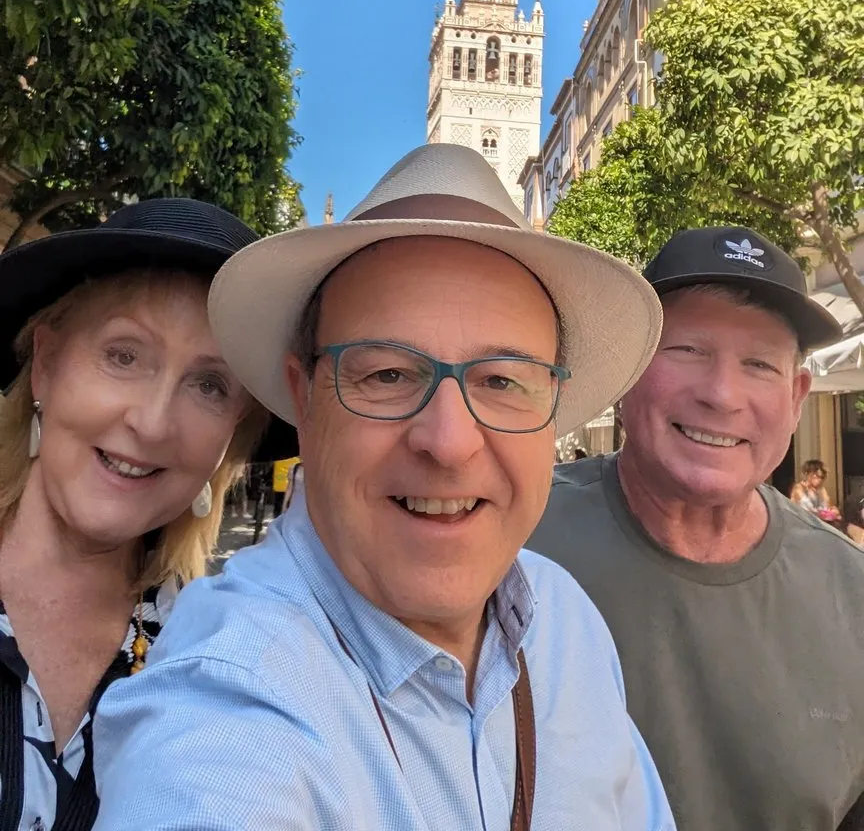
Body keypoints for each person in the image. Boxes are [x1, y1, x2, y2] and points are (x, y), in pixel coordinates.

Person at [92, 143, 676, 830]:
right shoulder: (231, 697)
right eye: (388, 375)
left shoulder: (566, 623)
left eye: (502, 381)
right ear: (302, 398)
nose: (450, 440)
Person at [528, 225, 864, 831]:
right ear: (626, 373)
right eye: (687, 350)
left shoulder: (852, 592)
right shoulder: (512, 542)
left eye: (759, 364)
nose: (721, 394)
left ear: (796, 398)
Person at [0, 198, 269, 831]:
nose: (151, 423)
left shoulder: (216, 664)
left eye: (209, 386)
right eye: (124, 355)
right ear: (45, 365)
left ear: (233, 433)